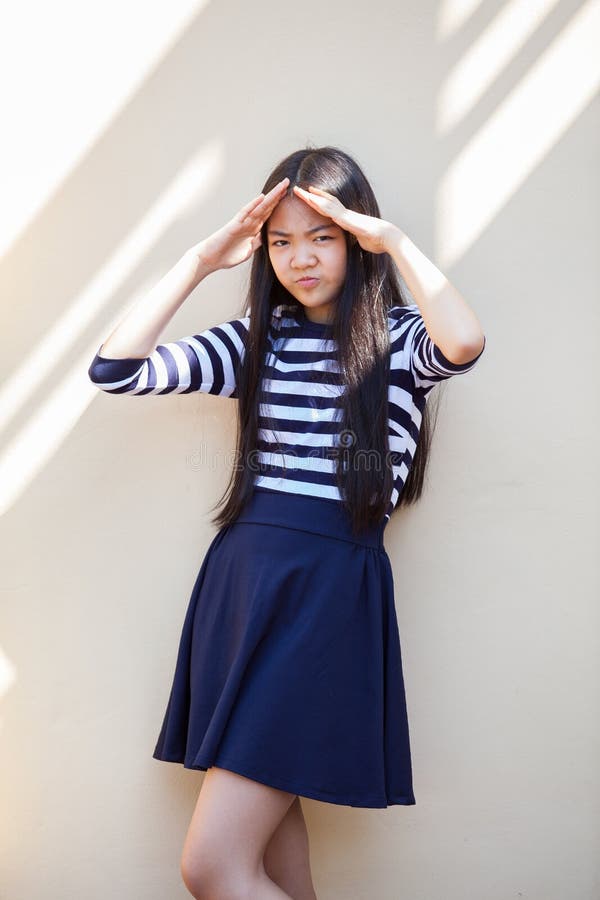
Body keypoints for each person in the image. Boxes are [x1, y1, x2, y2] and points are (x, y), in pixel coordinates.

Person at [88, 145, 486, 900]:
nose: (298, 258)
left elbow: (464, 343)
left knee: (212, 867)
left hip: (326, 597)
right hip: (242, 590)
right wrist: (202, 261)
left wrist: (395, 240)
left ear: (355, 240)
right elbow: (116, 368)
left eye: (321, 236)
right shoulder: (254, 343)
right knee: (272, 866)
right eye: (281, 241)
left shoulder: (400, 343)